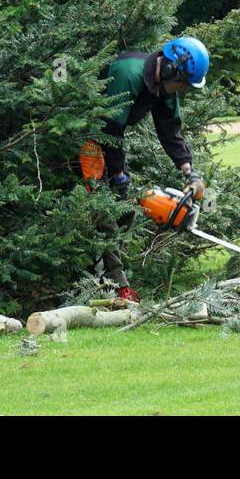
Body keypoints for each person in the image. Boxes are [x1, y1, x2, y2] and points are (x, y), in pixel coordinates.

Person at [86, 37, 209, 301]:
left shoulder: (163, 88)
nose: (182, 90)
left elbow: (170, 130)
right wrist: (117, 173)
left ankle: (98, 273)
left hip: (108, 140)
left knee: (126, 210)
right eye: (183, 84)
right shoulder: (128, 73)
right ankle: (118, 287)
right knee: (105, 209)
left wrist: (190, 172)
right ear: (169, 69)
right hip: (86, 137)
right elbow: (110, 129)